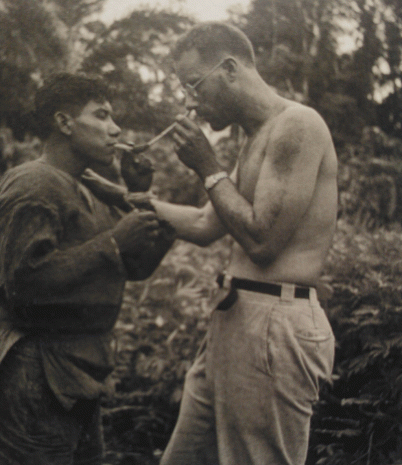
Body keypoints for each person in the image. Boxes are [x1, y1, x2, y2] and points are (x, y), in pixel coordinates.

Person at [151, 22, 338, 465]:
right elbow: (202, 223)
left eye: (193, 85)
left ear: (230, 69)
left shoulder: (297, 124)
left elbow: (261, 241)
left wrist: (207, 166)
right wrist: (128, 199)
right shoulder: (254, 138)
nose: (190, 101)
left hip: (274, 326)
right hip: (234, 321)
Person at [0, 73, 172, 465]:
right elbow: (23, 284)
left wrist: (140, 195)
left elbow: (134, 265)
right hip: (37, 373)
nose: (116, 130)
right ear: (64, 123)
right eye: (102, 116)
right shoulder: (33, 183)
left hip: (77, 376)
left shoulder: (88, 187)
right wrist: (113, 241)